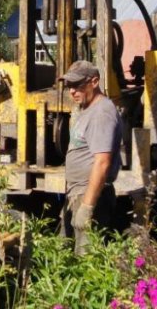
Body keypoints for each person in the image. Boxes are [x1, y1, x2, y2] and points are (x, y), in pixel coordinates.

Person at [60, 59, 123, 255]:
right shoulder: (86, 110)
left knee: (86, 259)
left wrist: (87, 207)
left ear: (94, 82)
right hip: (76, 193)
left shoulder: (101, 113)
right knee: (66, 252)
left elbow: (102, 162)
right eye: (69, 86)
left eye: (77, 85)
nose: (72, 91)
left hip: (89, 195)